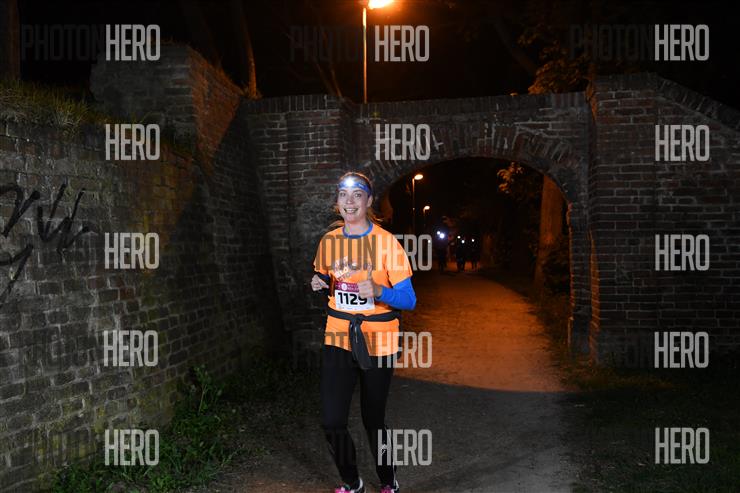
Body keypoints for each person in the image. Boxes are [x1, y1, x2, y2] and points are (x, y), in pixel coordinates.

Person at [311, 171, 417, 493]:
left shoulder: (387, 243)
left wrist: (380, 291)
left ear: (369, 201)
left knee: (373, 419)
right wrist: (319, 283)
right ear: (337, 201)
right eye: (343, 194)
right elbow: (326, 278)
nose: (350, 201)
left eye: (358, 194)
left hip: (378, 342)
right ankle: (352, 481)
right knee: (332, 421)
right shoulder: (329, 242)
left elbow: (409, 299)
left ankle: (387, 480)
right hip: (338, 336)